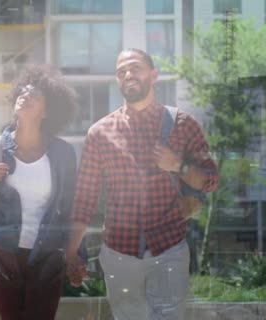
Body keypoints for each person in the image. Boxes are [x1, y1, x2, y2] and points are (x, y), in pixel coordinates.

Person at [64, 48, 219, 320]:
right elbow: (85, 198)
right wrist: (71, 252)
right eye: (121, 71)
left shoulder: (183, 125)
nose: (127, 74)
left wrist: (178, 166)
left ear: (153, 75)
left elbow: (210, 181)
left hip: (169, 248)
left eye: (135, 67)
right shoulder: (100, 133)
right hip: (118, 253)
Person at [0, 65, 78, 320]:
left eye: (34, 95)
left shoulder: (63, 153)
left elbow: (70, 209)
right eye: (22, 92)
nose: (25, 96)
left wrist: (78, 254)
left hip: (48, 256)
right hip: (3, 256)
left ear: (47, 111)